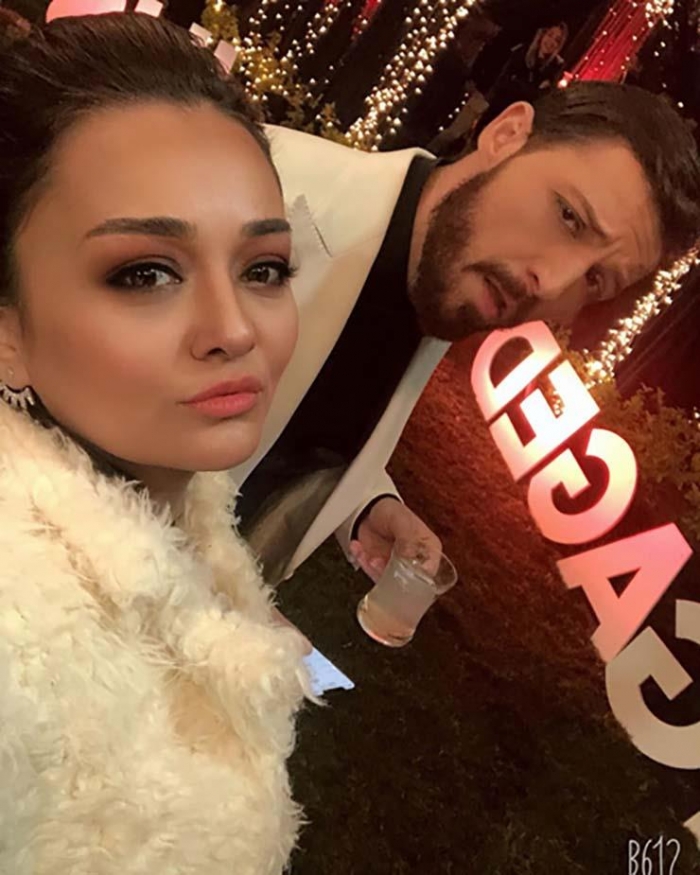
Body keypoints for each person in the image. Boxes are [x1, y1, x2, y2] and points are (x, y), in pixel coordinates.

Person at [0, 13, 312, 874]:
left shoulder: (178, 498)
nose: (234, 328)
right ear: (7, 328)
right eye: (145, 272)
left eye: (264, 268)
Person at [232, 81, 700, 589]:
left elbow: (311, 417)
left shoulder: (446, 275)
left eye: (595, 280)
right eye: (569, 217)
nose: (553, 284)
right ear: (506, 134)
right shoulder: (257, 194)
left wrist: (364, 502)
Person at [430, 23, 569, 157]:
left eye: (557, 40)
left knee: (477, 148)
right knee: (455, 133)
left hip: (507, 115)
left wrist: (525, 87)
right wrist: (527, 88)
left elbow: (540, 97)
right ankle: (427, 155)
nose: (551, 42)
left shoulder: (551, 70)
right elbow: (506, 83)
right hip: (488, 99)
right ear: (542, 34)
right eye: (550, 35)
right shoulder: (522, 52)